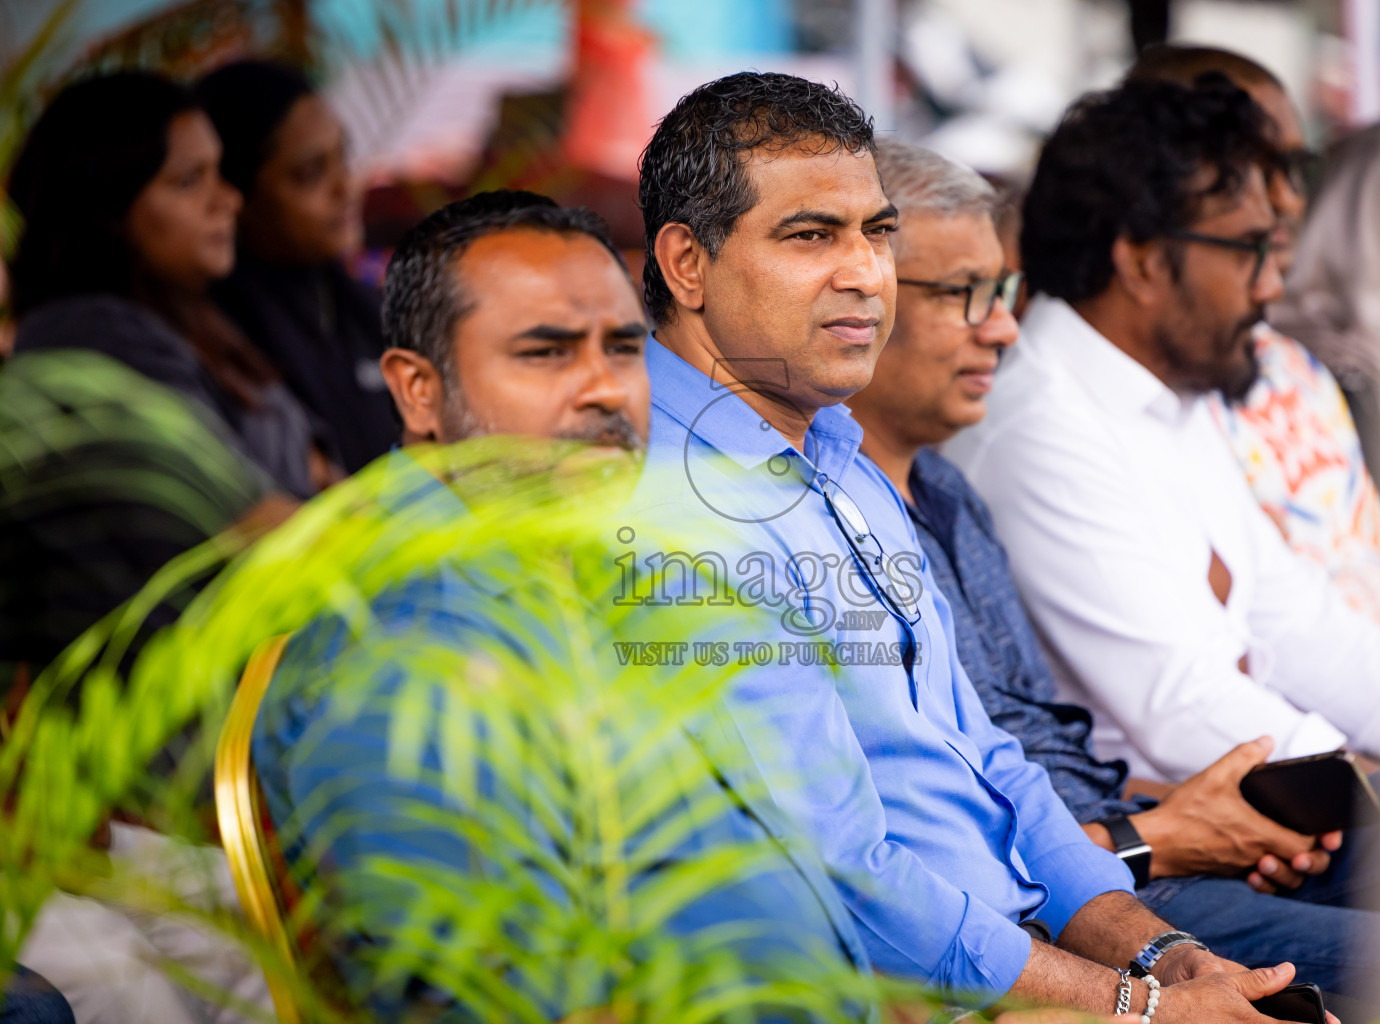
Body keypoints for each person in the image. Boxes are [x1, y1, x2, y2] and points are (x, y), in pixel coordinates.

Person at [628, 71, 1324, 1021]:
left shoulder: (841, 457)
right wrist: (1141, 1008)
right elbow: (847, 886)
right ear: (687, 264)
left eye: (876, 233)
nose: (864, 273)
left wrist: (1168, 959)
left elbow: (995, 765)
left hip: (1014, 959)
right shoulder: (676, 509)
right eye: (809, 235)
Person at [255, 190, 878, 1018]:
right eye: (545, 353)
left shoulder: (579, 568)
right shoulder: (406, 646)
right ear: (418, 391)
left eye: (623, 349)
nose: (604, 390)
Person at [848, 139, 1380, 1002]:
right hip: (1081, 898)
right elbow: (932, 843)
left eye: (1005, 293)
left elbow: (1027, 756)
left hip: (1112, 863)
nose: (1002, 326)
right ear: (855, 298)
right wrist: (1154, 836)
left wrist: (1194, 811)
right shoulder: (809, 516)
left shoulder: (946, 489)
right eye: (964, 296)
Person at [950, 75, 1380, 784]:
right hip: (1158, 857)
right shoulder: (1038, 428)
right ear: (1143, 260)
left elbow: (1301, 622)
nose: (1272, 284)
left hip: (1260, 812)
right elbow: (1183, 705)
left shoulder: (1170, 395)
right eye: (1248, 249)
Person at [1125, 44, 1380, 654]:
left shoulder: (1295, 367)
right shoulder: (1139, 385)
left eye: (1293, 169)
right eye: (1250, 167)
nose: (1285, 199)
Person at [8, 72, 329, 499]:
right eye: (189, 180)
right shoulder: (96, 334)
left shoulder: (186, 316)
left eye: (218, 171)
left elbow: (313, 467)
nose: (227, 200)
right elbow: (236, 514)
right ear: (107, 209)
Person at [199, 60, 399, 474]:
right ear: (236, 194)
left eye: (342, 156)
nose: (345, 187)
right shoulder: (221, 343)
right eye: (310, 174)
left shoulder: (369, 309)